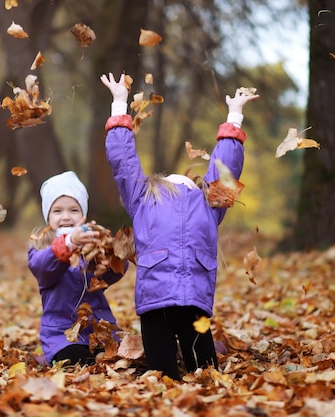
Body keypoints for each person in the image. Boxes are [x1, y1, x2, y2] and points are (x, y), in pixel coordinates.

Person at [100, 72, 259, 380]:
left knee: (207, 372)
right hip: (155, 304)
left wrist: (234, 117)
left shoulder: (210, 203)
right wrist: (119, 106)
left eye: (188, 181)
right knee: (161, 375)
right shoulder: (144, 197)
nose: (180, 179)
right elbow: (124, 162)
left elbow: (226, 167)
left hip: (195, 305)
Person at [28, 171, 126, 366]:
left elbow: (112, 275)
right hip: (61, 332)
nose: (66, 217)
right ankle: (52, 356)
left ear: (83, 215)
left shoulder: (89, 244)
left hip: (98, 327)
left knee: (119, 357)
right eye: (57, 211)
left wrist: (110, 253)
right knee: (77, 359)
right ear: (48, 216)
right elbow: (43, 268)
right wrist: (68, 244)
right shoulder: (42, 246)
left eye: (73, 210)